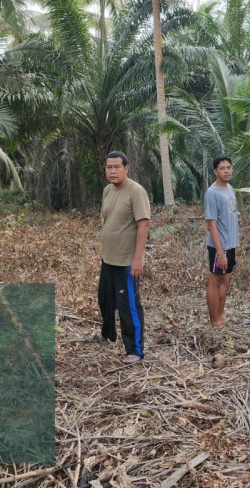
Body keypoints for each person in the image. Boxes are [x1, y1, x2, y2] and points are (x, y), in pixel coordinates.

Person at [98, 151, 151, 364]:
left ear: (126, 168)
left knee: (128, 306)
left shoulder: (136, 191)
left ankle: (134, 350)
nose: (112, 171)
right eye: (109, 167)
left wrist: (137, 259)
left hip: (126, 262)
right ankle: (110, 334)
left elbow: (143, 225)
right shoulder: (107, 190)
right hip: (108, 258)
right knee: (105, 300)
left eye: (117, 167)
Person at [204, 156, 239, 328]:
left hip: (230, 245)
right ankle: (214, 320)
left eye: (228, 167)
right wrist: (220, 253)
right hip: (219, 246)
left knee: (225, 280)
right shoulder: (212, 193)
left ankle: (220, 316)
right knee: (215, 281)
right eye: (222, 168)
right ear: (215, 171)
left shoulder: (230, 189)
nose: (226, 171)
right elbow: (212, 224)